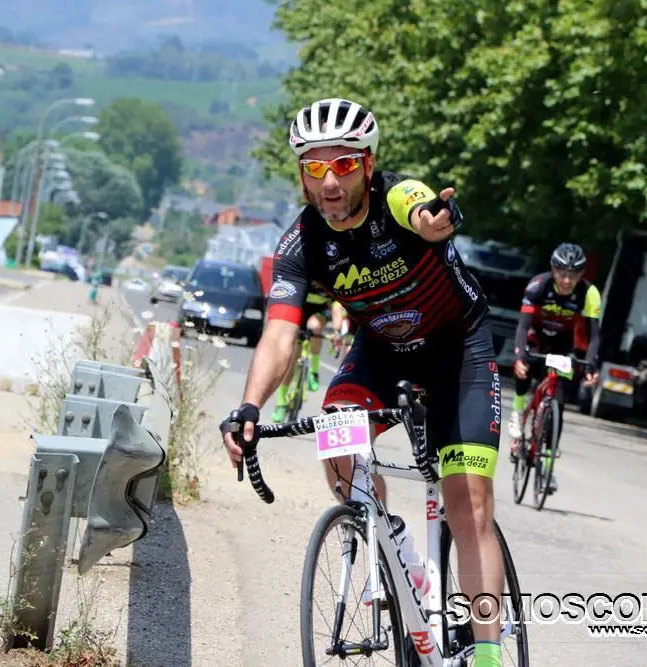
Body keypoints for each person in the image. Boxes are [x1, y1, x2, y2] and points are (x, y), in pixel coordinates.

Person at [219, 97, 506, 667]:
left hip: (458, 350)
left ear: (368, 166)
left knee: (467, 500)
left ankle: (489, 654)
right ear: (302, 175)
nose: (330, 182)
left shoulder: (396, 198)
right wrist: (249, 407)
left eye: (344, 165)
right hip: (382, 352)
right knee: (336, 435)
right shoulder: (301, 243)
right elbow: (280, 334)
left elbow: (420, 205)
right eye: (315, 168)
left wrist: (432, 220)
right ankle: (387, 542)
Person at [508, 242, 601, 492]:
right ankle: (517, 415)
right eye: (562, 273)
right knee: (524, 368)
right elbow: (522, 326)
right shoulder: (538, 285)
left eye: (574, 274)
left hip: (562, 344)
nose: (567, 280)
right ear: (553, 269)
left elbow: (593, 336)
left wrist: (590, 366)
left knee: (558, 402)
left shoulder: (589, 293)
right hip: (535, 337)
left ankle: (548, 469)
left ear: (582, 275)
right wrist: (519, 357)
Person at [269, 288, 332, 423]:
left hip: (320, 311)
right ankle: (281, 403)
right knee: (291, 360)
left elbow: (338, 307)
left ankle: (313, 372)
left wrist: (338, 331)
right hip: (298, 308)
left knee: (315, 328)